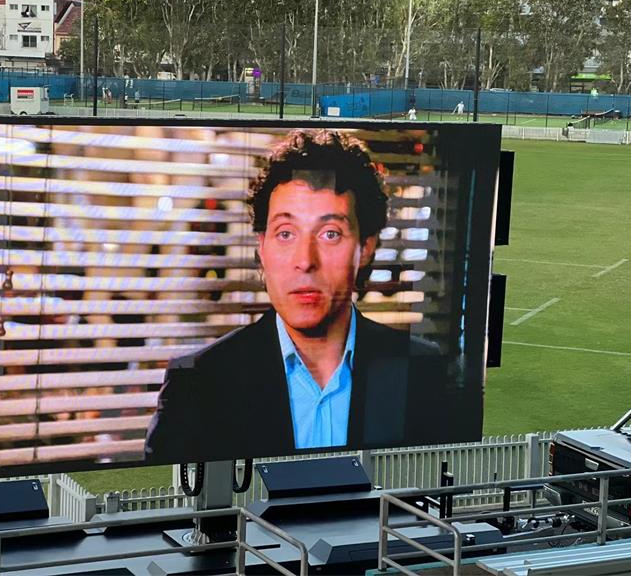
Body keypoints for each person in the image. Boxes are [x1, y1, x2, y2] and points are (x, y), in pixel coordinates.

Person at [144, 129, 437, 464]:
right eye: (285, 233)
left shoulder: (423, 373)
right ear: (262, 248)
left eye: (330, 233)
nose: (305, 260)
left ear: (365, 247)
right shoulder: (199, 383)